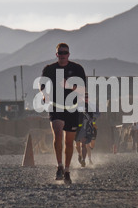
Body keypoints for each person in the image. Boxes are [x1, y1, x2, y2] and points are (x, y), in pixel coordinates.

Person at [41, 43, 86, 184]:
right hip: (56, 106)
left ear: (69, 54)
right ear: (56, 54)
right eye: (60, 53)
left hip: (71, 108)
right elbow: (42, 84)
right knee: (58, 133)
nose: (62, 55)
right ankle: (59, 166)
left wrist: (70, 87)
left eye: (65, 53)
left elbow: (83, 90)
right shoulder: (49, 69)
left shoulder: (77, 68)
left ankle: (67, 171)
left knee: (69, 141)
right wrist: (44, 94)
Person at [75, 93, 100, 166]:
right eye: (84, 97)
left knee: (89, 144)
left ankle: (85, 159)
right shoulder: (79, 105)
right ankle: (82, 156)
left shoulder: (92, 105)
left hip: (90, 126)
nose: (86, 98)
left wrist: (90, 116)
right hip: (79, 126)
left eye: (87, 97)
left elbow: (98, 114)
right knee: (79, 144)